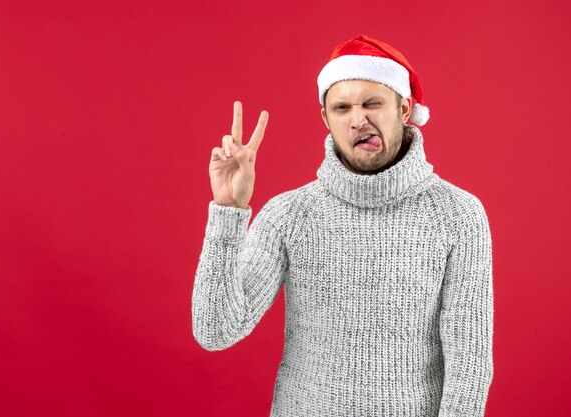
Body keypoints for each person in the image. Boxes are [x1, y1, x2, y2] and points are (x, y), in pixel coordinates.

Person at [191, 33, 494, 417]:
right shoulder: (290, 215)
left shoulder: (458, 216)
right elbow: (215, 330)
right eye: (342, 107)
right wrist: (227, 212)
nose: (358, 120)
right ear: (326, 118)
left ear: (404, 109)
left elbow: (470, 366)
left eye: (372, 103)